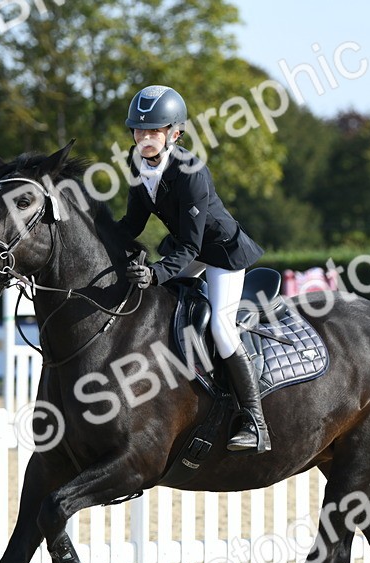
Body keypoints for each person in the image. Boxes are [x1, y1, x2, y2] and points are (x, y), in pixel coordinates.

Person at [118, 85, 270, 453]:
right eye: (139, 130)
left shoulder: (191, 172)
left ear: (175, 133)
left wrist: (155, 273)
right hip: (188, 248)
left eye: (153, 131)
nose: (144, 138)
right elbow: (133, 223)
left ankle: (255, 421)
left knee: (220, 326)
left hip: (220, 254)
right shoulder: (135, 162)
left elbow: (191, 245)